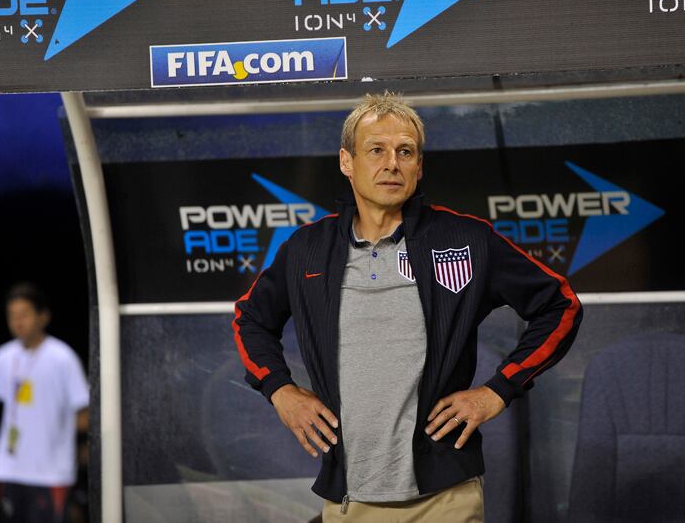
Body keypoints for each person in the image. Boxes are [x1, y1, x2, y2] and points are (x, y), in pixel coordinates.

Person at [232, 92, 583, 521]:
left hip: (446, 498)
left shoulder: (466, 240)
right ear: (346, 161)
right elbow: (250, 318)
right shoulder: (307, 249)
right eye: (376, 150)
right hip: (350, 499)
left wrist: (497, 390)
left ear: (420, 165)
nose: (392, 164)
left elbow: (560, 306)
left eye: (405, 151)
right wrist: (280, 390)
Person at [0, 283, 89, 523]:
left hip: (50, 472)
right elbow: (10, 406)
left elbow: (85, 414)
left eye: (24, 314)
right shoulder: (2, 357)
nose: (18, 322)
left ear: (43, 317)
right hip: (9, 468)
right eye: (12, 315)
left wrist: (75, 444)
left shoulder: (62, 357)